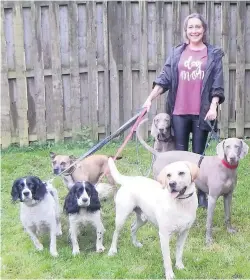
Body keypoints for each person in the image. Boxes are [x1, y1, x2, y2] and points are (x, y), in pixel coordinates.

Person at [142, 13, 225, 208]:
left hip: (202, 113)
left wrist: (213, 106)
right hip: (178, 112)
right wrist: (149, 99)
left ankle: (200, 193)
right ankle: (179, 190)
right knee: (179, 155)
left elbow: (217, 84)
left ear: (203, 30)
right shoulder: (177, 53)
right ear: (186, 31)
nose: (194, 30)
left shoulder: (213, 54)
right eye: (190, 27)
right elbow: (164, 79)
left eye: (198, 27)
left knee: (198, 156)